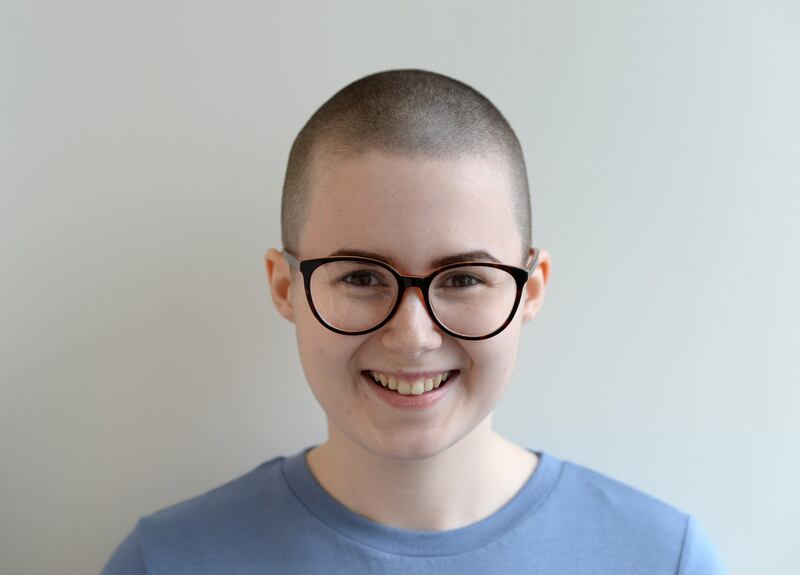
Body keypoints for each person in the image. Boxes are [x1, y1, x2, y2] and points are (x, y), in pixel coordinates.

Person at [100, 69, 728, 574]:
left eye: (462, 280)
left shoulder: (663, 558)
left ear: (530, 290)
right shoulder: (167, 561)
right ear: (285, 286)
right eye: (362, 277)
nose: (414, 335)